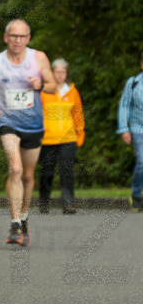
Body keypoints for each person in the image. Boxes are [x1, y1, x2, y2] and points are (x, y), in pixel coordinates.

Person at [0, 19, 57, 245]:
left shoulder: (38, 58)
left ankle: (24, 217)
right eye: (14, 36)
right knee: (15, 169)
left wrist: (39, 85)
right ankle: (14, 223)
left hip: (33, 124)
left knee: (28, 176)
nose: (18, 40)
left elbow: (52, 84)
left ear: (28, 39)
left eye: (22, 36)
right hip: (7, 120)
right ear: (6, 38)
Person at [38, 58, 85, 214]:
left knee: (67, 170)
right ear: (52, 73)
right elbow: (36, 114)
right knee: (47, 171)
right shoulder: (43, 91)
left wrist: (80, 134)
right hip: (47, 138)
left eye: (63, 72)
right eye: (57, 71)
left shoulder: (72, 92)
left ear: (66, 74)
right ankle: (44, 203)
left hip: (68, 138)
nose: (60, 75)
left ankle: (68, 204)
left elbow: (77, 114)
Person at [116, 52, 143, 212]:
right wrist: (123, 129)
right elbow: (124, 105)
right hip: (138, 128)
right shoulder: (133, 83)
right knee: (142, 162)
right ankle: (136, 193)